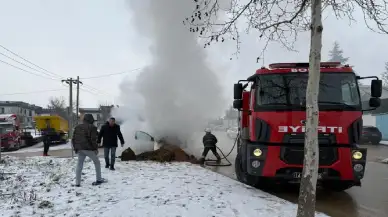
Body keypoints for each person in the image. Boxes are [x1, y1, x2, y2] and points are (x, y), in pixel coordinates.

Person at [72, 113, 105, 187]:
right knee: (97, 162)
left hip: (80, 148)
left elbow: (73, 139)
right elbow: (93, 140)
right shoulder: (92, 127)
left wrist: (75, 148)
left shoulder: (77, 127)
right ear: (91, 120)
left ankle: (77, 183)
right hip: (88, 149)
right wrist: (95, 149)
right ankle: (99, 179)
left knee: (79, 164)